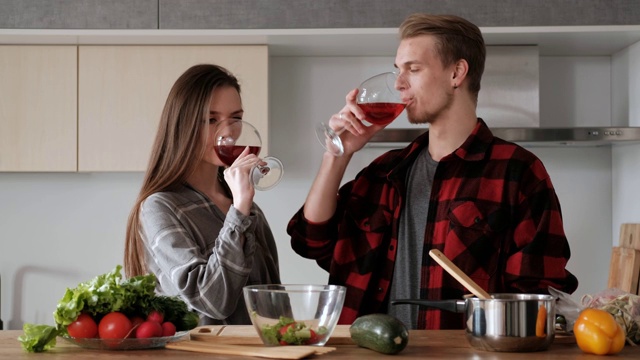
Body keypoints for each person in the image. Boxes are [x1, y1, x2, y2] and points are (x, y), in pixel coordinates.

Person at [287, 13, 578, 330]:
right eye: (399, 70)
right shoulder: (385, 171)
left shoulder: (518, 171)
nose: (399, 83)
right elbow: (311, 241)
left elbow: (537, 296)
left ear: (457, 72)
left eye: (413, 69)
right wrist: (337, 154)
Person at [124, 64, 281, 325]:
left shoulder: (247, 208)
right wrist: (240, 211)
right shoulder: (160, 208)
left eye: (235, 118)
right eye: (211, 120)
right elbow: (213, 302)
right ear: (181, 125)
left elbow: (273, 301)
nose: (228, 133)